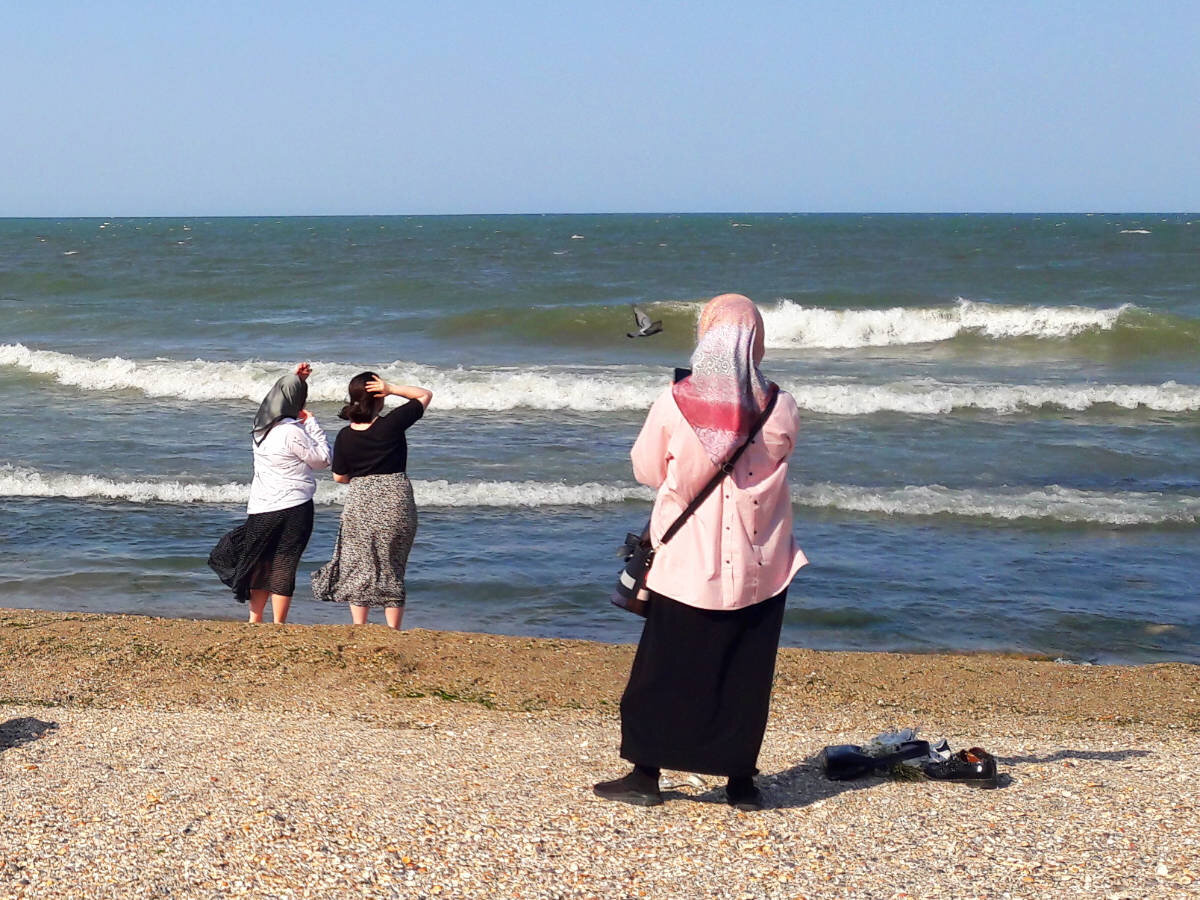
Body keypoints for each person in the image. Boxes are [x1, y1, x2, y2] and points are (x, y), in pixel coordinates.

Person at [594, 294, 808, 812]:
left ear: (706, 335)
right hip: (764, 563)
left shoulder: (675, 402)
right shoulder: (780, 405)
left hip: (687, 560)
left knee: (664, 669)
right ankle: (740, 784)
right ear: (754, 340)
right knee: (745, 673)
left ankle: (646, 775)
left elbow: (646, 471)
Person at [209, 362, 331, 624]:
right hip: (295, 504)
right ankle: (278, 622)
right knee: (284, 562)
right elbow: (322, 459)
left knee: (260, 562)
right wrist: (313, 425)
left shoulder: (259, 428)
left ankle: (255, 618)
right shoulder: (292, 431)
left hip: (262, 506)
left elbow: (275, 398)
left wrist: (295, 378)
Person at [311, 372, 432, 628]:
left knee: (359, 563)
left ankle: (359, 626)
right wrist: (392, 387)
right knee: (393, 563)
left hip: (361, 501)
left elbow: (339, 477)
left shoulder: (345, 435)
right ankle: (393, 629)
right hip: (395, 499)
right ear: (379, 397)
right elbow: (424, 394)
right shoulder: (391, 424)